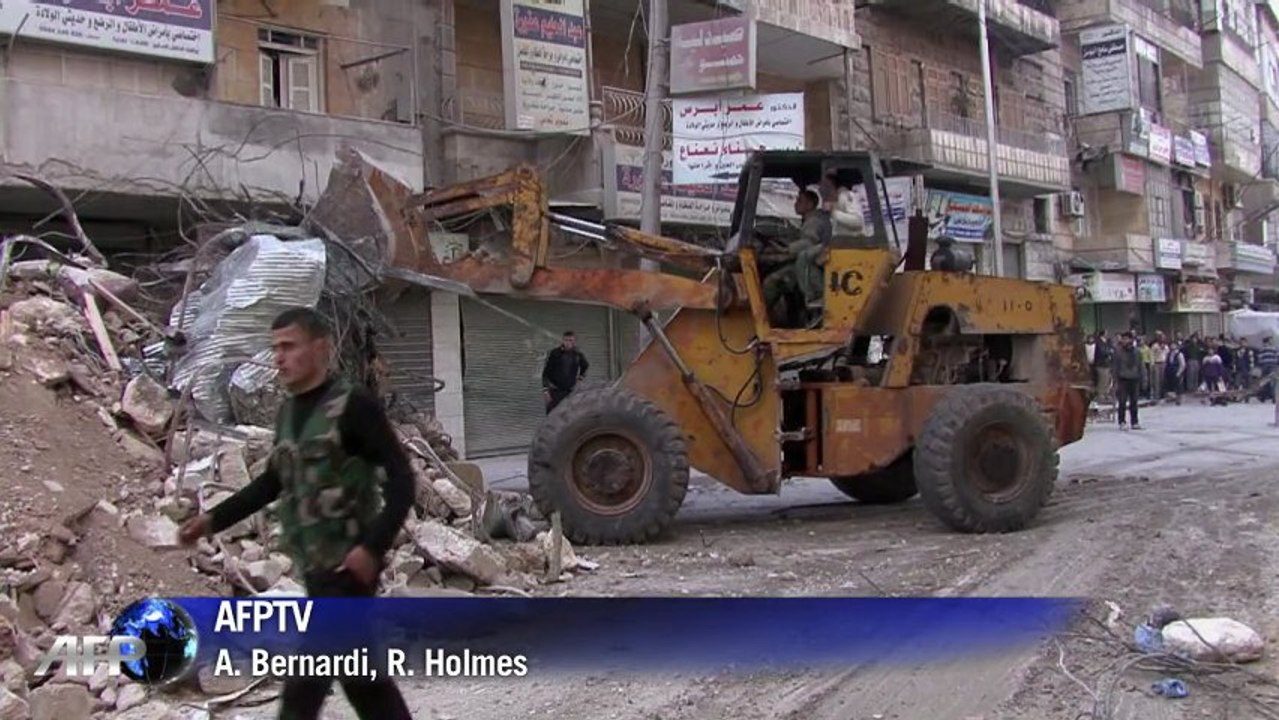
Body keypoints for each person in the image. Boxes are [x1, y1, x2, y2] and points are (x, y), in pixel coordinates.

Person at [178, 307, 414, 720]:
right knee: (364, 684)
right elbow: (272, 483)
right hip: (317, 566)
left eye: (289, 346)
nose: (279, 358)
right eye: (275, 349)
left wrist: (371, 549)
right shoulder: (289, 414)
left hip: (348, 570)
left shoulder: (353, 406)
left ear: (319, 347)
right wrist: (211, 521)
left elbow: (402, 480)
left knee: (305, 687)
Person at [762, 189, 832, 326]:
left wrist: (785, 249)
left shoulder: (814, 221)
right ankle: (792, 321)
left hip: (812, 269)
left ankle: (757, 320)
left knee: (772, 281)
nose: (795, 204)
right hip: (812, 264)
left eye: (800, 201)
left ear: (811, 204)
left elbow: (808, 242)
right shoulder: (813, 220)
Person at [542, 330, 589, 413]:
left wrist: (580, 378)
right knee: (553, 416)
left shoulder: (577, 354)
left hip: (570, 391)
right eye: (566, 340)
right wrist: (545, 390)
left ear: (574, 342)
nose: (568, 343)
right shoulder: (555, 353)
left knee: (569, 415)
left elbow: (585, 366)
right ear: (562, 340)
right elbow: (546, 372)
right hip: (555, 391)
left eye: (570, 340)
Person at [1113, 331, 1143, 430]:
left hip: (1134, 378)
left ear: (1131, 339)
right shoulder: (1118, 351)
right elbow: (1115, 367)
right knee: (1122, 401)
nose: (1124, 341)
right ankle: (1122, 421)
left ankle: (1134, 421)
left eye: (1126, 338)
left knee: (1134, 401)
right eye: (1123, 338)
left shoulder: (1137, 352)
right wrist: (1115, 380)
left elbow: (1141, 366)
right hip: (1123, 378)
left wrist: (1143, 378)